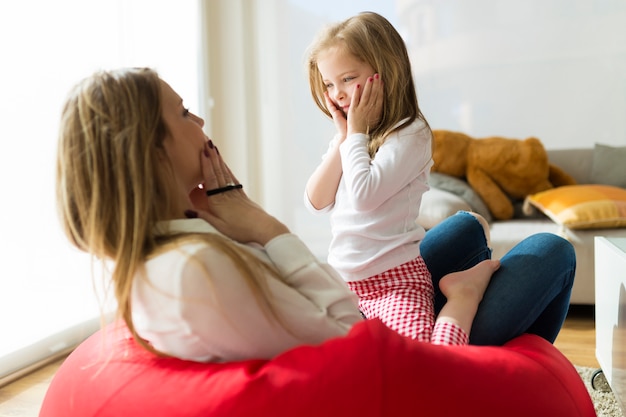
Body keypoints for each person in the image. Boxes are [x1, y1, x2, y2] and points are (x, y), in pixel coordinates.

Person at [304, 11, 575, 345]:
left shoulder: (409, 134)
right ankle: (460, 297)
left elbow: (363, 196)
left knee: (429, 360)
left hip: (394, 283)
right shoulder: (350, 141)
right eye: (330, 85)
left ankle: (463, 296)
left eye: (347, 79)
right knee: (467, 225)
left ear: (384, 71)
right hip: (347, 286)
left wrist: (354, 135)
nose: (338, 95)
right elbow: (316, 201)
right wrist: (345, 138)